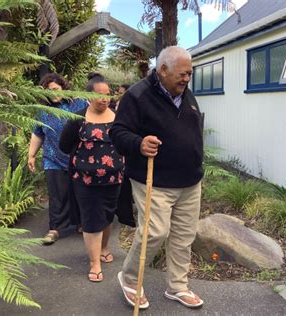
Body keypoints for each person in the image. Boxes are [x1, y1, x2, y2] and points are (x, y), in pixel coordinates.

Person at [109, 46, 204, 309]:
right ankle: (129, 280)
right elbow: (117, 132)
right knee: (154, 232)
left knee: (184, 236)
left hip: (190, 181)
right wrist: (139, 143)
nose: (187, 79)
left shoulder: (186, 94)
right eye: (182, 74)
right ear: (163, 70)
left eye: (190, 74)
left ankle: (177, 286)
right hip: (155, 180)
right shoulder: (137, 96)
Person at [59, 80, 124, 282]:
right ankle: (94, 262)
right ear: (88, 96)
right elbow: (64, 144)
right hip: (85, 181)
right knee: (91, 219)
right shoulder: (77, 118)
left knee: (107, 215)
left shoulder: (119, 118)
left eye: (107, 94)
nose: (105, 98)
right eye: (99, 95)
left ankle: (104, 247)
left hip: (114, 179)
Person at [27, 73, 87, 245]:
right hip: (52, 158)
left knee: (80, 192)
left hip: (78, 156)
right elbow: (38, 133)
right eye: (48, 91)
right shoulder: (43, 110)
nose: (52, 93)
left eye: (55, 89)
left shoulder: (80, 103)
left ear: (63, 87)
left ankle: (82, 223)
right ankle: (55, 229)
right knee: (56, 195)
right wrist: (31, 155)